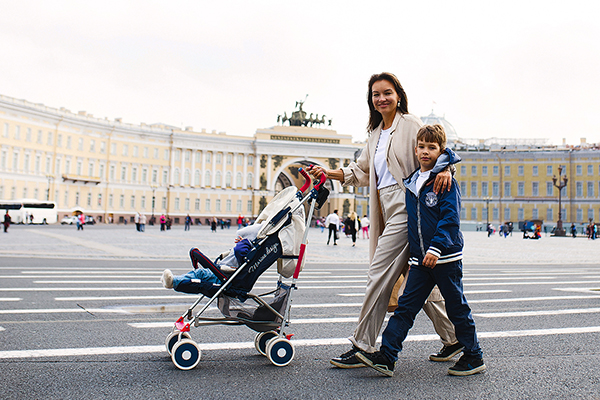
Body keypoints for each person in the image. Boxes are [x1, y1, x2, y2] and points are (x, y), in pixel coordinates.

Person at [308, 72, 459, 369]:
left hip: (408, 206)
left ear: (398, 95)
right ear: (371, 100)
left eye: (387, 92)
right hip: (383, 208)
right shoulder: (375, 134)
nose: (382, 98)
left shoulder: (411, 124)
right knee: (420, 280)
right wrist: (329, 173)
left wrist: (447, 168)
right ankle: (455, 338)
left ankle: (362, 344)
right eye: (376, 94)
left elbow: (437, 147)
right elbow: (360, 171)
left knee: (379, 273)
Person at [356, 124, 485, 377]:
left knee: (456, 307)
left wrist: (436, 248)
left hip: (445, 259)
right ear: (415, 149)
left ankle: (474, 355)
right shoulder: (413, 182)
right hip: (420, 262)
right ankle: (387, 356)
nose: (425, 152)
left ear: (441, 151)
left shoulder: (445, 182)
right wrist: (418, 254)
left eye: (432, 147)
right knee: (405, 308)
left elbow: (450, 220)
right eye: (422, 147)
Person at [161, 223, 263, 291]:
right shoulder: (250, 247)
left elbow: (240, 253)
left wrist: (243, 243)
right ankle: (174, 281)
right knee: (199, 275)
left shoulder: (248, 247)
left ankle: (174, 282)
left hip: (226, 275)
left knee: (200, 274)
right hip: (223, 271)